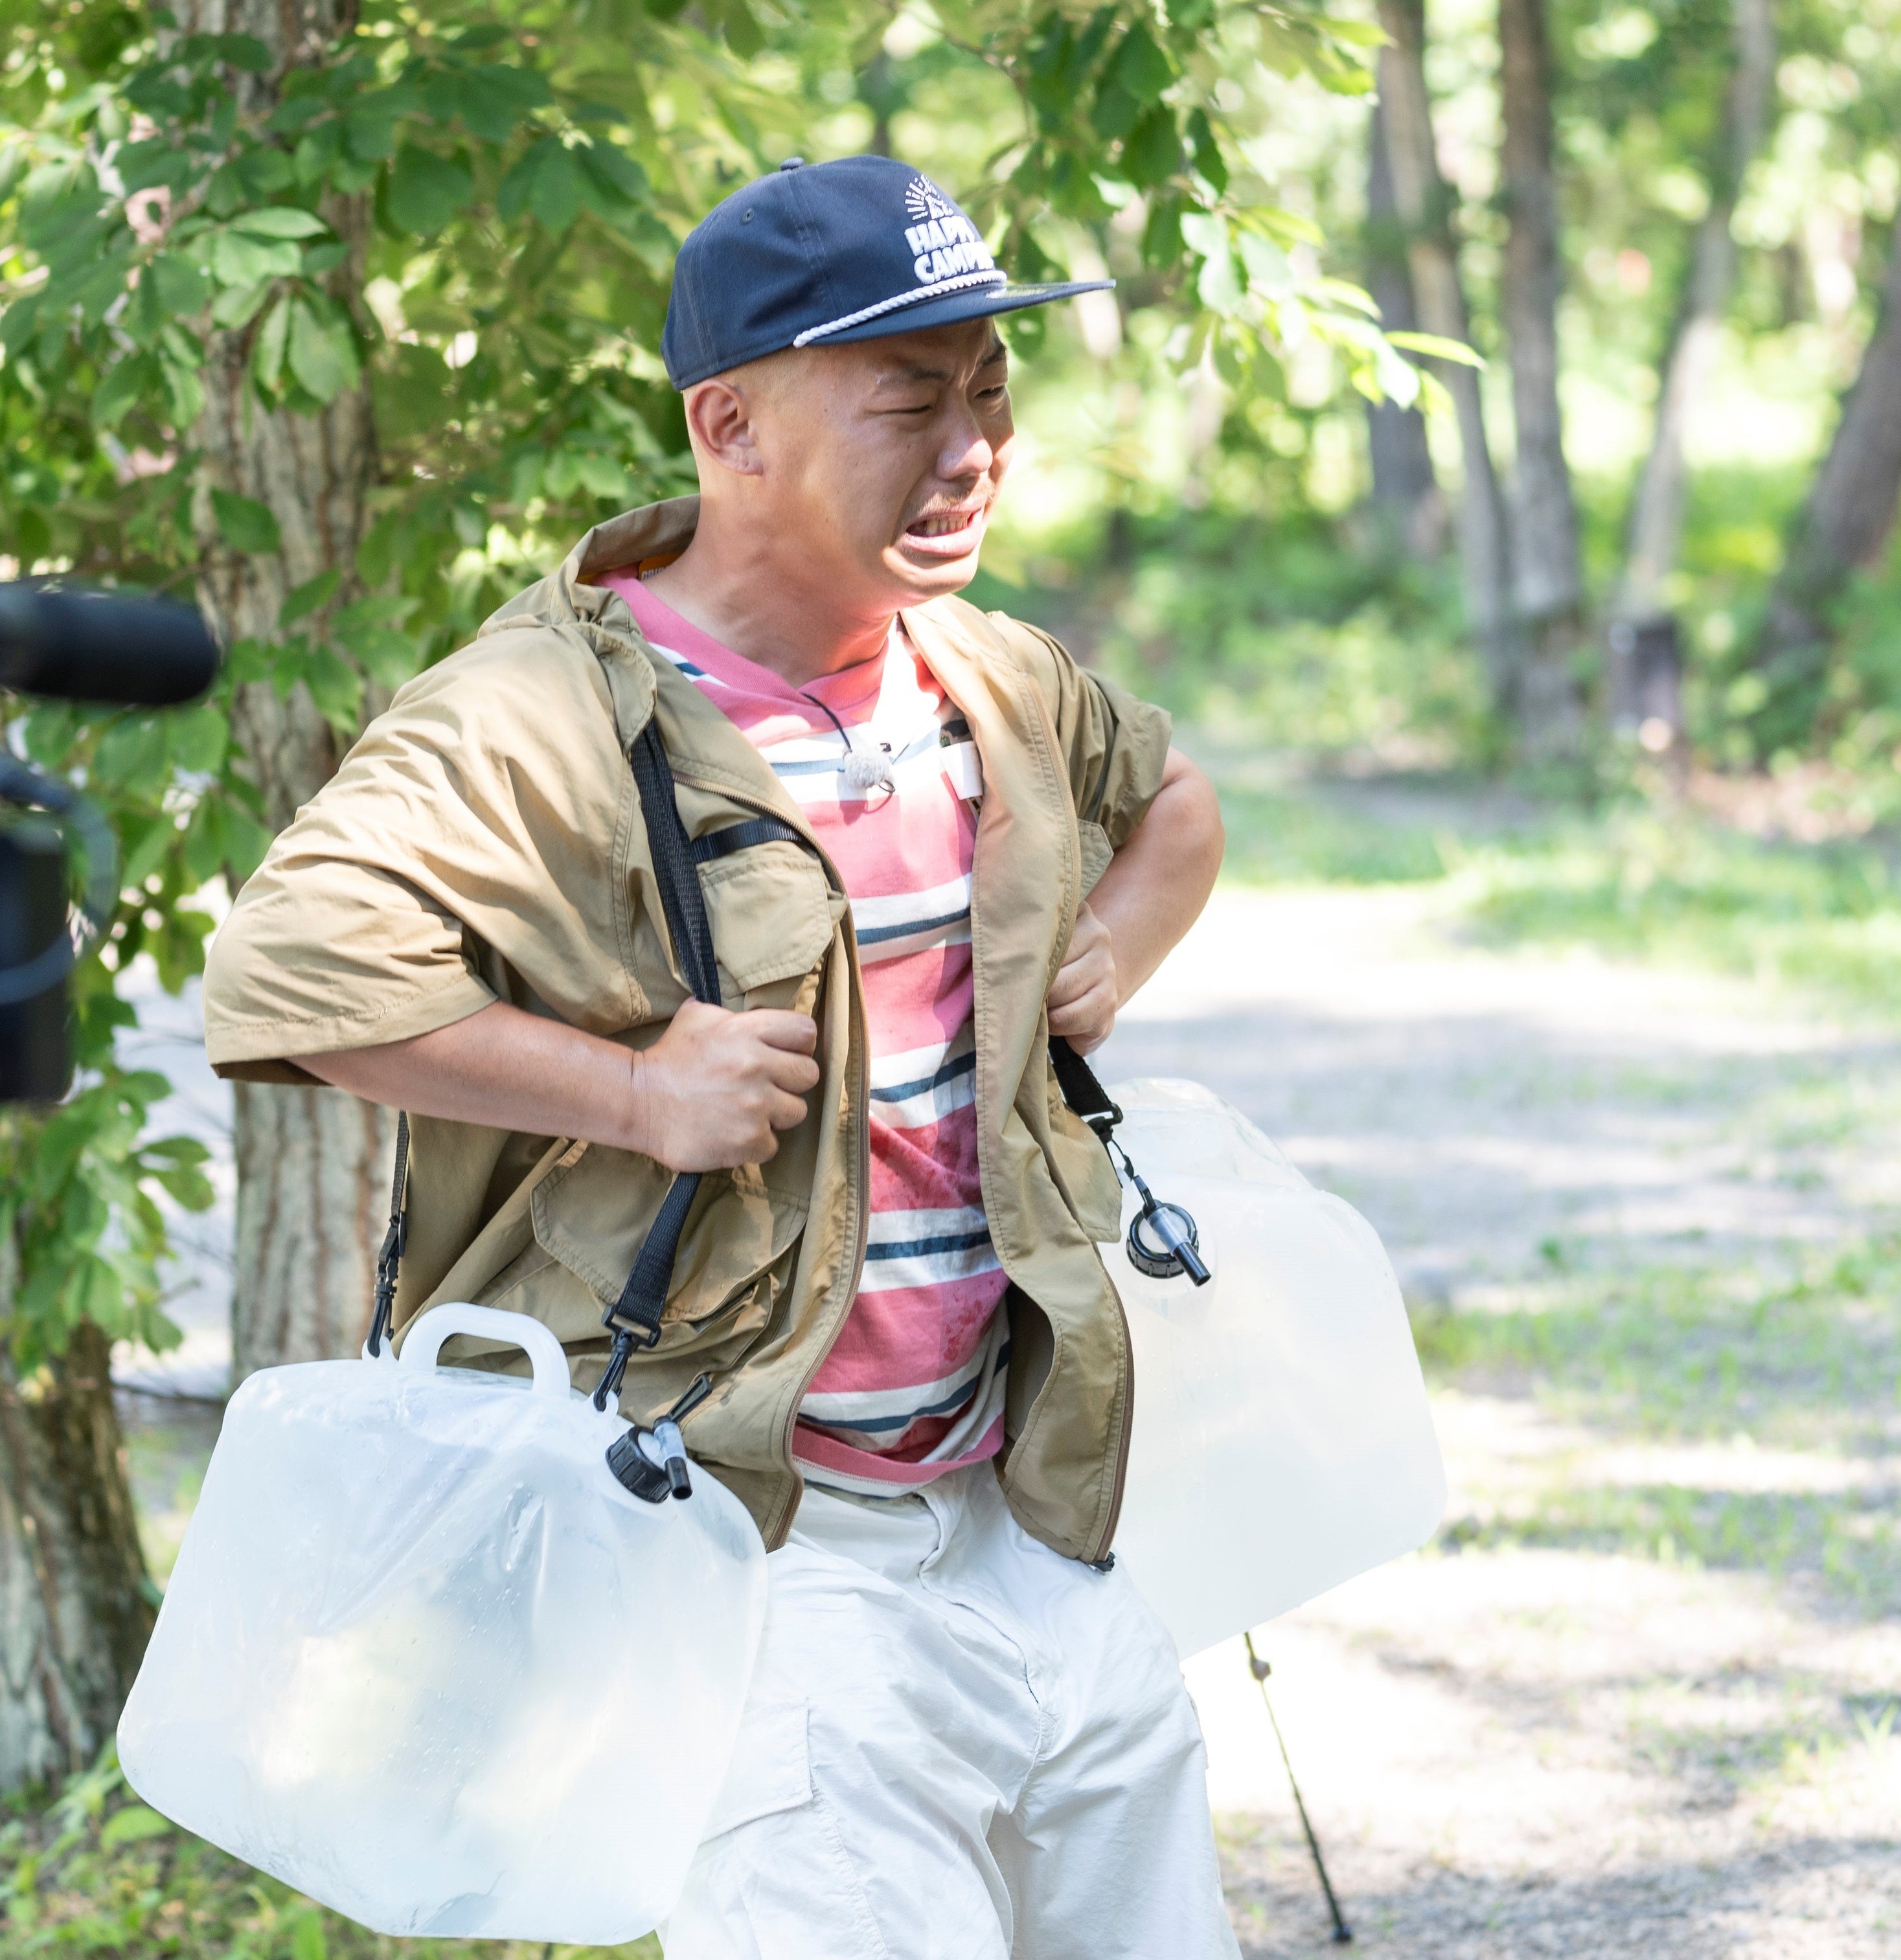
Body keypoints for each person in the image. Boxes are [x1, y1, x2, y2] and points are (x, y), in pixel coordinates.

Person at [201, 154, 1233, 1957]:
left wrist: (1108, 955)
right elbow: (288, 973)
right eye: (909, 398)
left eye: (989, 388)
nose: (973, 441)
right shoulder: (544, 711)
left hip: (1016, 1502)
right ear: (729, 424)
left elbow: (1177, 800)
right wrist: (629, 1092)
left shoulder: (981, 673)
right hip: (759, 1545)